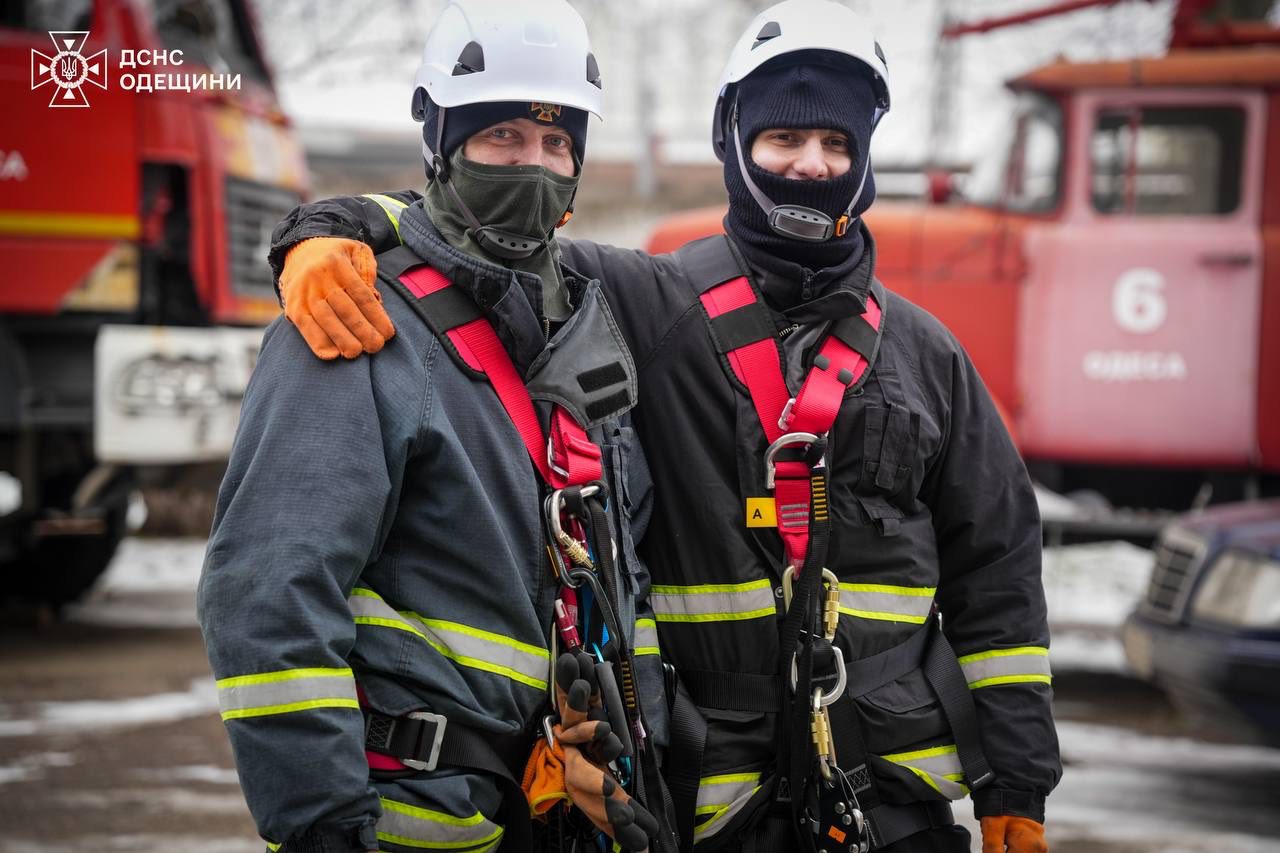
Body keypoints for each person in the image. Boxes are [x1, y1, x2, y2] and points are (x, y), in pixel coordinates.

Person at [268, 2, 1063, 852]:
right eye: (783, 141)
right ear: (734, 144)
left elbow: (1000, 572)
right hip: (712, 802)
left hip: (895, 800)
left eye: (836, 146)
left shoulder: (926, 353)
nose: (811, 165)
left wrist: (1015, 784)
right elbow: (481, 231)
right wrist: (326, 230)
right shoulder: (645, 302)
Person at [197, 2, 675, 851]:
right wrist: (323, 830)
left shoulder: (588, 328)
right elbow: (269, 596)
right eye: (502, 140)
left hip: (551, 810)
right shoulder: (356, 318)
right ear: (444, 144)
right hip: (407, 820)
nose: (533, 166)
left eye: (557, 143)